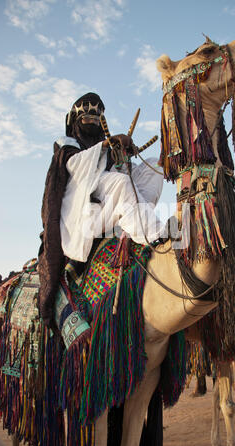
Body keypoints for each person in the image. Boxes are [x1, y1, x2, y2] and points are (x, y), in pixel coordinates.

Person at [38, 92, 164, 327]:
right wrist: (107, 145)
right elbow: (77, 166)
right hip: (82, 216)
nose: (94, 122)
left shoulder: (103, 151)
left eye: (97, 119)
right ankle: (155, 237)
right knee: (120, 183)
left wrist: (123, 156)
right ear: (76, 121)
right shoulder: (68, 145)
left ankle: (138, 223)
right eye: (87, 118)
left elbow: (122, 174)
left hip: (111, 210)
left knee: (155, 167)